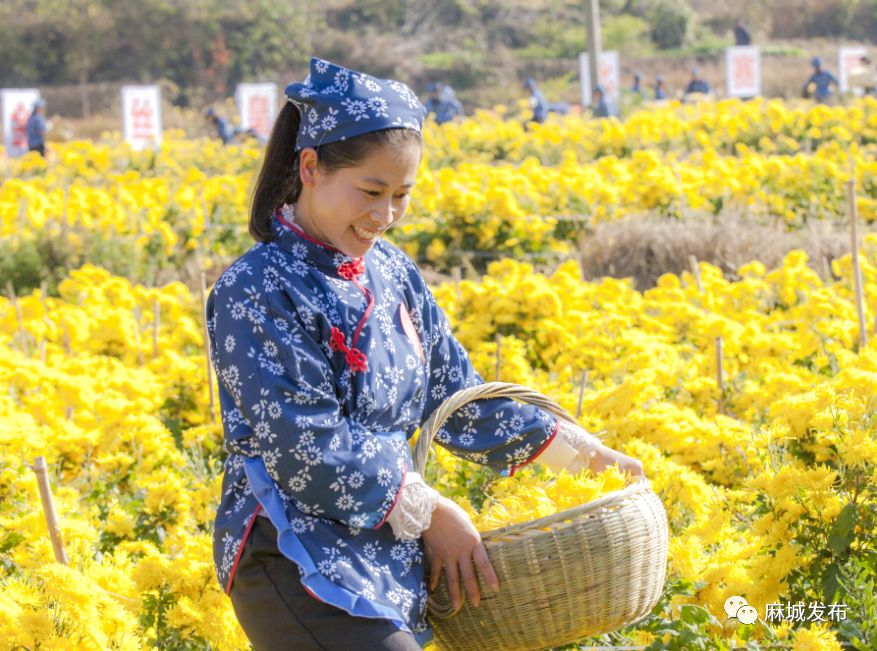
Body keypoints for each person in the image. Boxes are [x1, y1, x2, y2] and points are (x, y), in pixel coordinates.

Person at [206, 57, 645, 651]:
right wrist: (431, 512)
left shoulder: (391, 272)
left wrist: (585, 458)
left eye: (402, 196)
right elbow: (305, 448)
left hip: (386, 546)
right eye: (371, 192)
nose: (384, 216)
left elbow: (457, 396)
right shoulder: (256, 288)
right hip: (291, 550)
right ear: (310, 167)